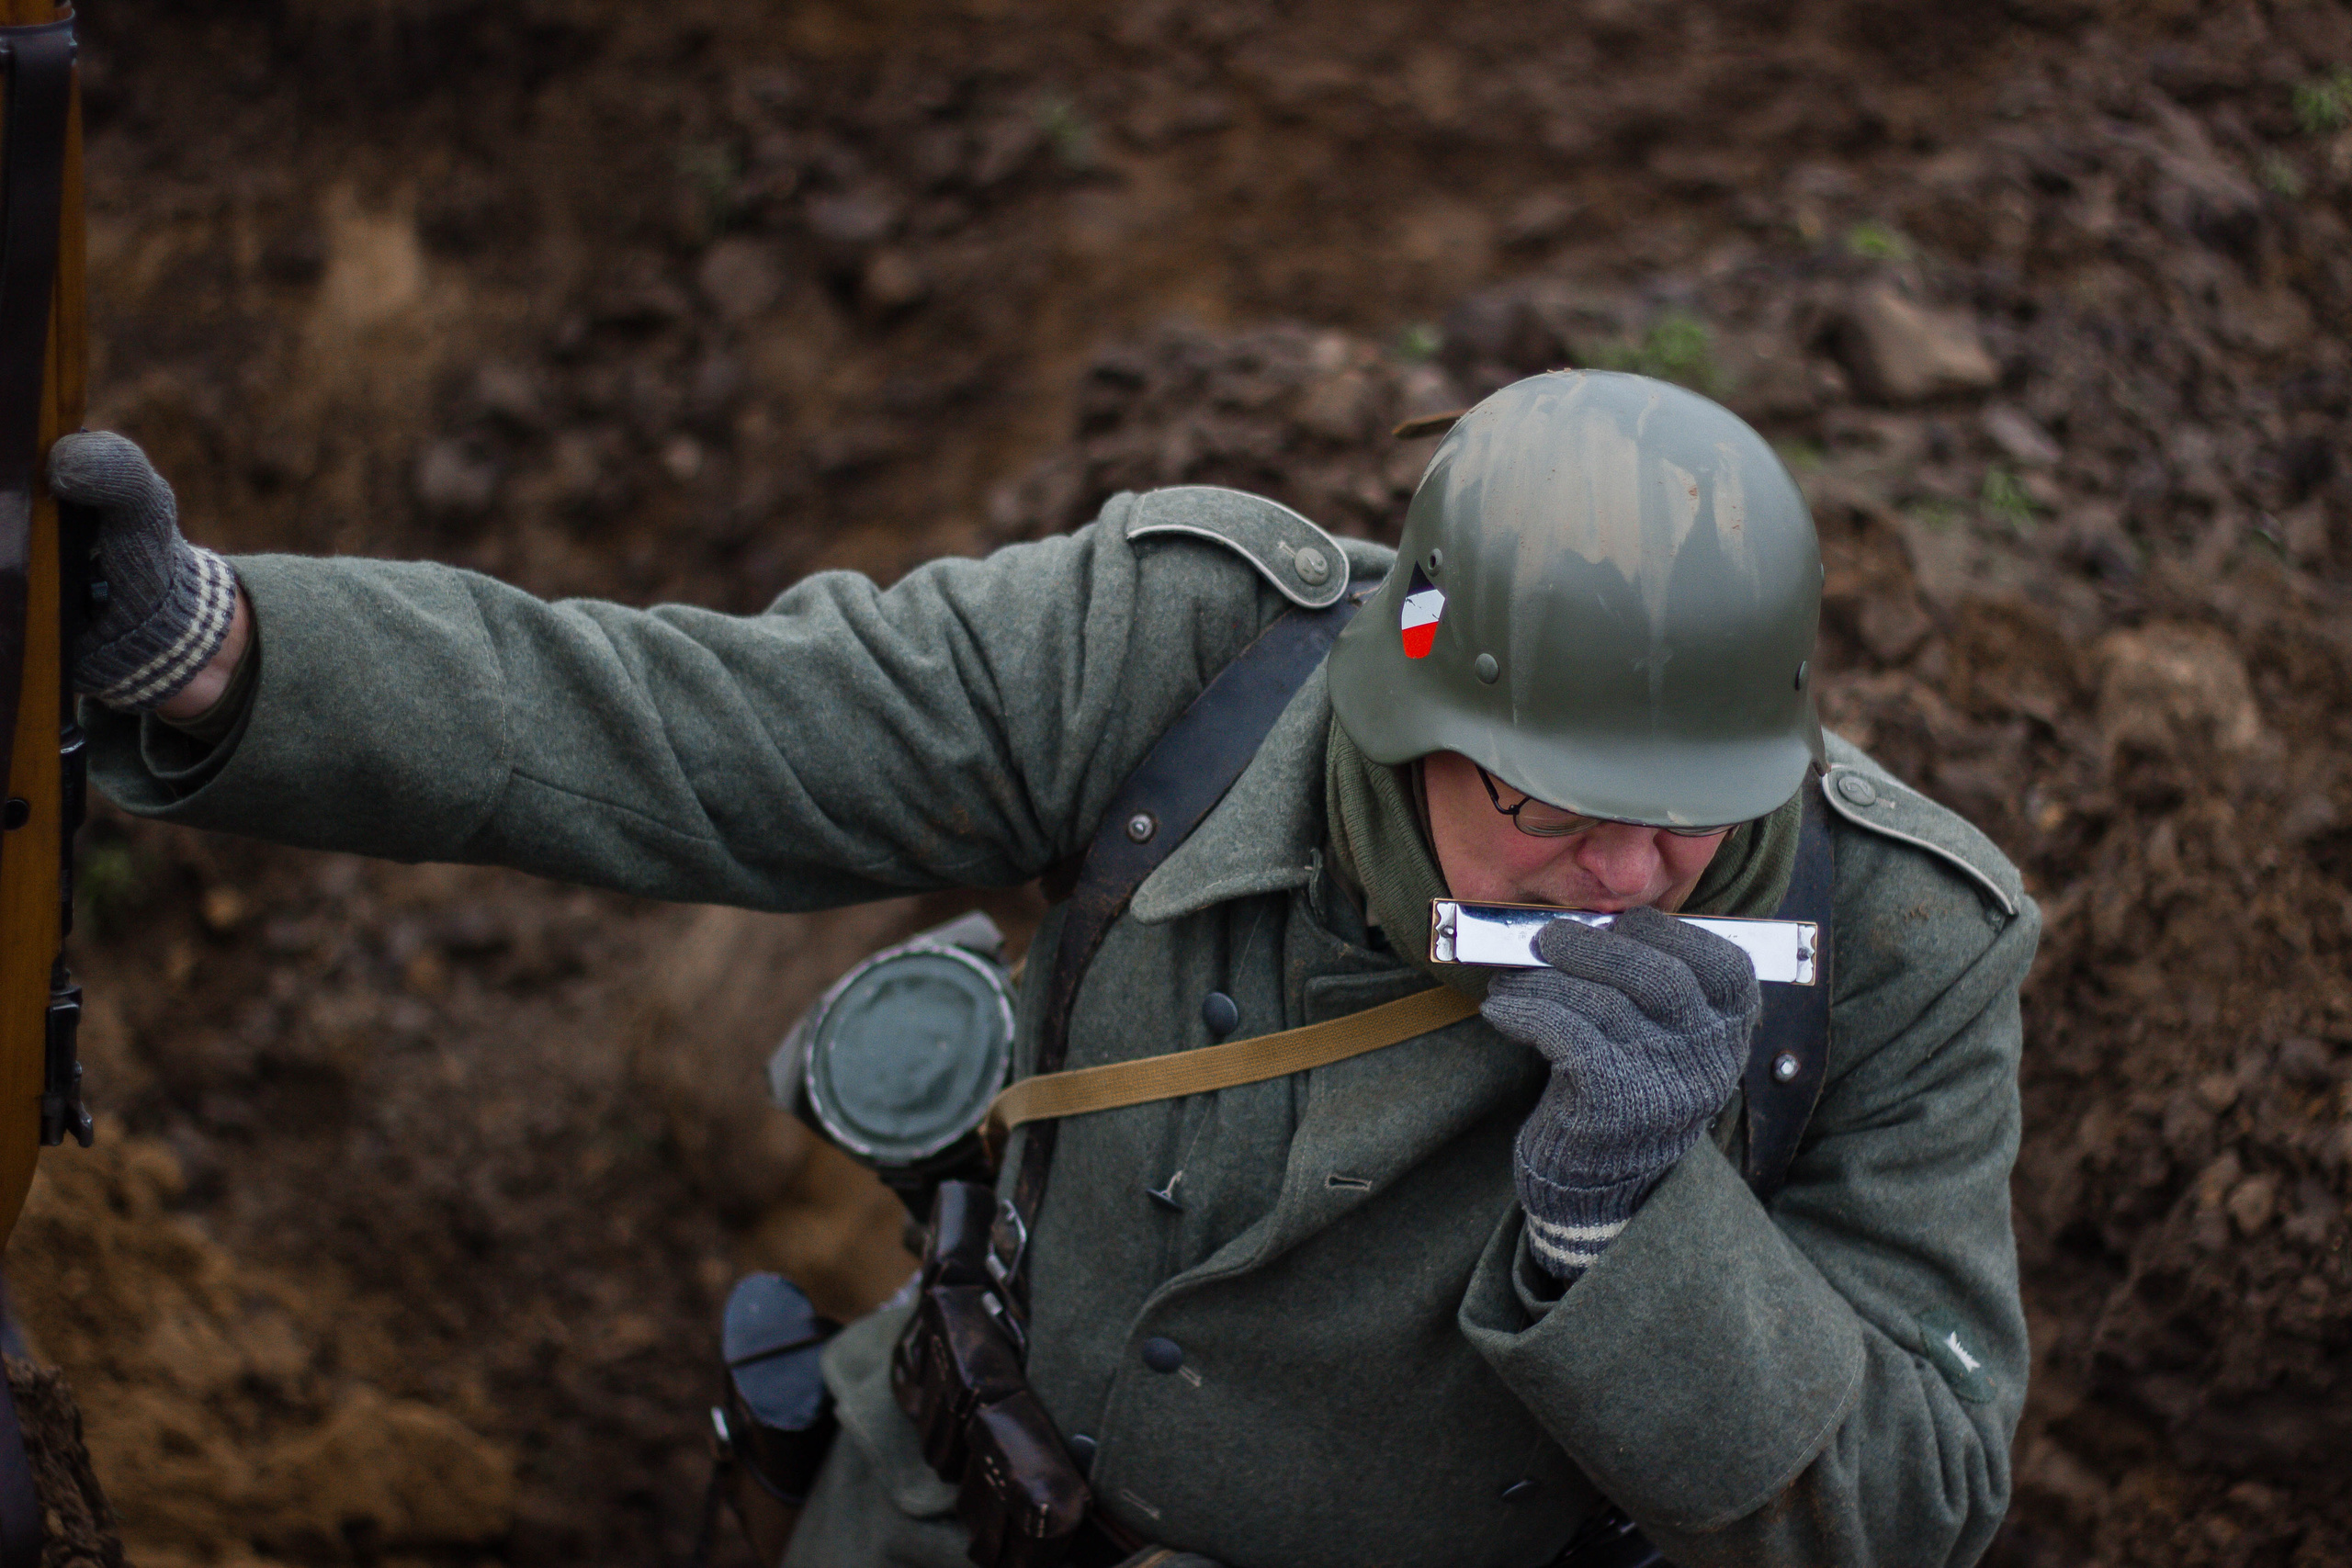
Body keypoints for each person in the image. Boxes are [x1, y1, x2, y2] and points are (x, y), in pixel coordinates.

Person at [57, 370, 2037, 1568]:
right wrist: (243, 660)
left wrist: (1632, 1227)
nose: (1619, 871)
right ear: (1403, 700)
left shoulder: (1898, 946)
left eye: (1679, 813)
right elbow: (708, 729)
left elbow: (1916, 1508)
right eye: (1542, 800)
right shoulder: (1181, 653)